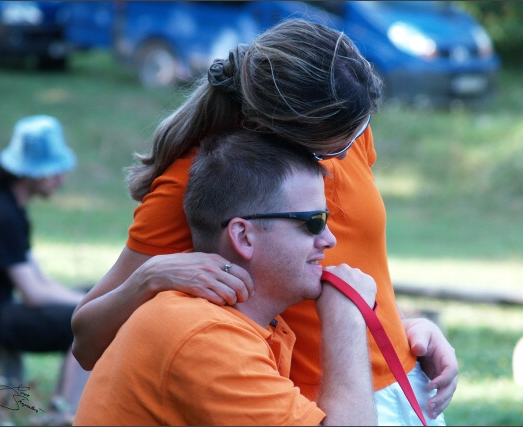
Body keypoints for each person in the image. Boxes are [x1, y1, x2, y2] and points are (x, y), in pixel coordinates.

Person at [71, 18, 458, 425]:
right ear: (279, 130)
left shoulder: (342, 122)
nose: (346, 154)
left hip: (403, 380)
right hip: (314, 407)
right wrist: (151, 276)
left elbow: (352, 262)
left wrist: (405, 328)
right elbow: (88, 343)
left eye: (358, 130)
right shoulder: (208, 179)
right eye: (338, 141)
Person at [74, 129, 378, 426]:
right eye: (313, 222)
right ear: (243, 236)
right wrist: (346, 320)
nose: (329, 239)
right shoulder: (206, 338)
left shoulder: (233, 324)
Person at [0, 115, 90, 421]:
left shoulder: (8, 208)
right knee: (84, 320)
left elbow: (38, 279)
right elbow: (33, 293)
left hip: (0, 308)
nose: (61, 179)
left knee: (89, 299)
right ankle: (64, 411)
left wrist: (89, 296)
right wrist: (87, 304)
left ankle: (65, 407)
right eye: (54, 171)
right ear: (31, 173)